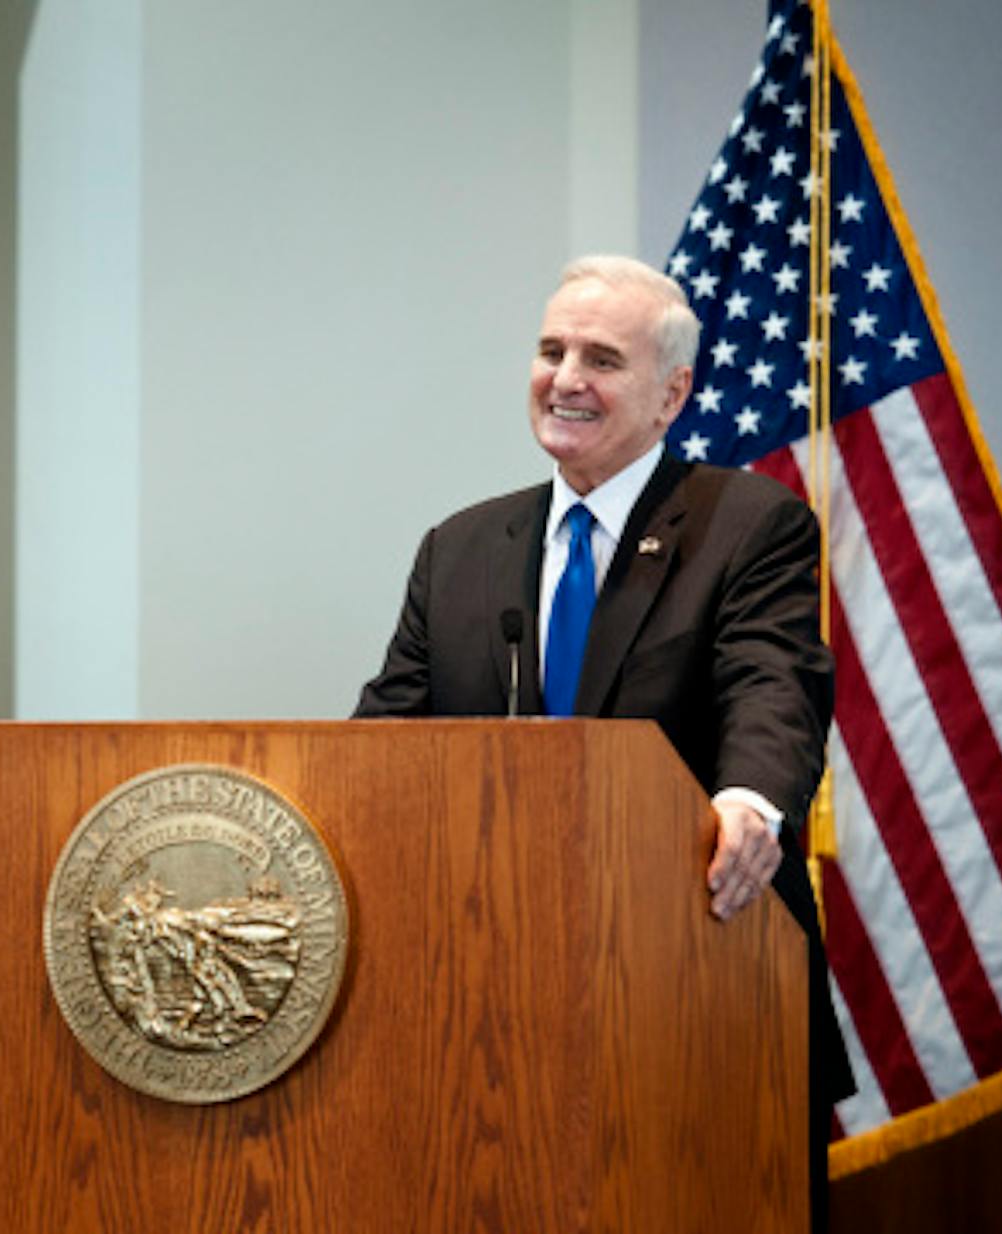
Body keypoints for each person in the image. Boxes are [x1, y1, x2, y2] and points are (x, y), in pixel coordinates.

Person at [353, 254, 855, 1216]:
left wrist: (748, 804)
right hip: (485, 1014)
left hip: (695, 990)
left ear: (672, 395)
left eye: (601, 359)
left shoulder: (748, 525)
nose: (566, 378)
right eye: (551, 351)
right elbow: (383, 746)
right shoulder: (459, 548)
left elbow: (773, 688)